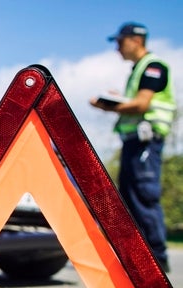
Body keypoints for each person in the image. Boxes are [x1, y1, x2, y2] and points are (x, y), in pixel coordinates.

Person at [90, 22, 176, 273]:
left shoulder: (153, 67)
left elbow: (141, 105)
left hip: (145, 142)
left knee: (144, 196)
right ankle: (139, 258)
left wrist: (110, 106)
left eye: (120, 42)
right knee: (129, 196)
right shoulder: (138, 69)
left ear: (136, 40)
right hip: (134, 143)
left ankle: (157, 260)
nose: (117, 48)